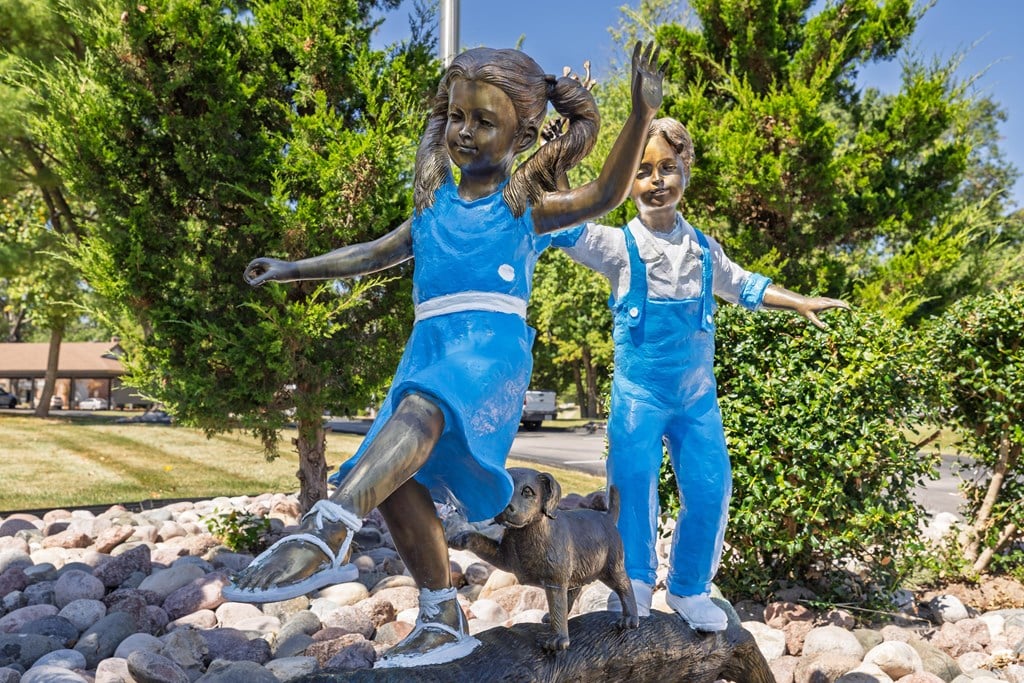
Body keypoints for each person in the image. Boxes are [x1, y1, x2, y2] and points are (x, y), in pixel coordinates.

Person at [225, 43, 666, 666]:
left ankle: (329, 527)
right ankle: (441, 615)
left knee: (424, 408)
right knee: (399, 480)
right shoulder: (431, 209)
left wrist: (640, 115)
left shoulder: (523, 207)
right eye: (458, 117)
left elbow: (606, 192)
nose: (466, 132)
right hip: (429, 348)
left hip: (487, 355)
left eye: (485, 122)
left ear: (525, 135)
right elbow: (372, 253)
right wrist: (296, 267)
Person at [550, 117, 849, 632]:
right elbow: (560, 222)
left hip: (696, 401)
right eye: (642, 170)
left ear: (685, 171)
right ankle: (635, 581)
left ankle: (690, 588)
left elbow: (746, 286)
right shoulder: (616, 247)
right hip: (638, 397)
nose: (656, 180)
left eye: (668, 167)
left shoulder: (704, 251)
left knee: (710, 488)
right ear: (627, 182)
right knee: (633, 488)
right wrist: (556, 158)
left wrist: (798, 300)